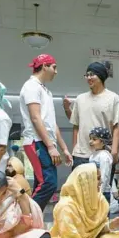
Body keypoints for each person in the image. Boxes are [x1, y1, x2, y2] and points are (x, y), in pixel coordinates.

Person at [19, 54, 72, 211]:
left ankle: (33, 222)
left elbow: (51, 124)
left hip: (45, 142)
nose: (56, 72)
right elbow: (36, 119)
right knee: (48, 184)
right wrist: (50, 146)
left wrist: (64, 149)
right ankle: (26, 217)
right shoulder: (31, 87)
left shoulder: (46, 91)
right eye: (54, 67)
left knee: (41, 183)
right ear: (44, 66)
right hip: (36, 141)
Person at [69, 62, 119, 171]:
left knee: (102, 187)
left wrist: (114, 151)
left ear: (101, 76)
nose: (88, 78)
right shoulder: (80, 99)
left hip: (103, 155)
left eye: (92, 74)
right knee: (79, 188)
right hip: (81, 155)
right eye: (87, 75)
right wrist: (74, 149)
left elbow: (117, 127)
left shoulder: (113, 98)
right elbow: (76, 126)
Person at [88, 127, 113, 202]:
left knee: (102, 213)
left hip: (103, 191)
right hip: (93, 190)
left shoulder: (104, 156)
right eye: (90, 139)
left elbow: (104, 176)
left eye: (94, 139)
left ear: (103, 142)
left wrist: (100, 193)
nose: (90, 141)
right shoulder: (92, 156)